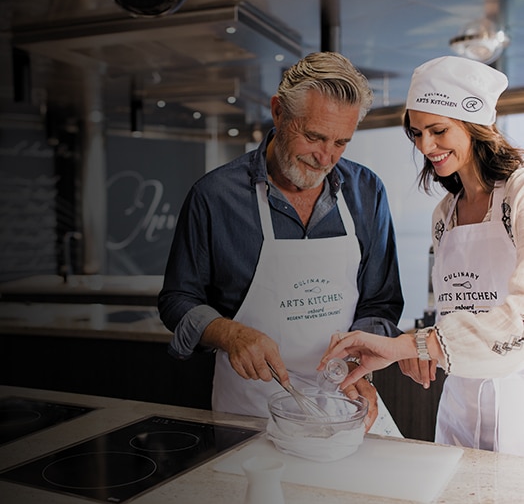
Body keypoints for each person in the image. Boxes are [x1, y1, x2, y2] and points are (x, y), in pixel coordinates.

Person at [158, 51, 405, 434]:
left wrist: (360, 366)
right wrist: (229, 333)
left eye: (341, 142)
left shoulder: (367, 191)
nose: (326, 158)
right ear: (278, 113)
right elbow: (177, 299)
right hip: (250, 409)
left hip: (345, 402)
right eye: (314, 136)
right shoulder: (215, 197)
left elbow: (380, 302)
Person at [319, 55, 524, 455]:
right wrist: (421, 349)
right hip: (457, 409)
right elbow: (451, 318)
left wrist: (415, 344)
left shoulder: (520, 194)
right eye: (416, 133)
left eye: (438, 130)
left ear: (475, 124)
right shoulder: (444, 215)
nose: (425, 146)